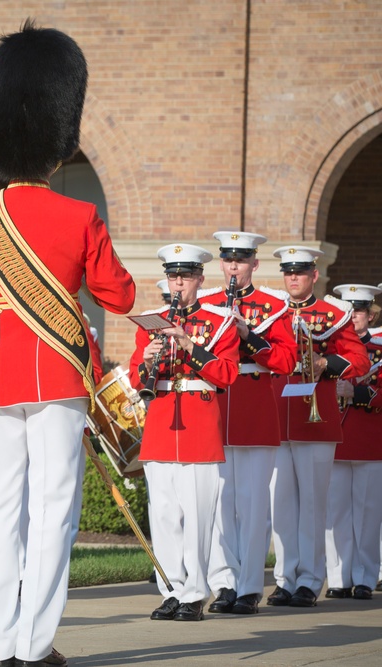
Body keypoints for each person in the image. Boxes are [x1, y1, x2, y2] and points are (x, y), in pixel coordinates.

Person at [0, 22, 135, 667]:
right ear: (57, 144)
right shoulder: (79, 216)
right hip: (61, 377)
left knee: (0, 513)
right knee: (52, 515)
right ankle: (35, 643)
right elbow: (118, 296)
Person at [131, 244, 240, 623]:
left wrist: (190, 345)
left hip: (197, 424)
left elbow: (226, 374)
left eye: (186, 276)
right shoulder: (152, 322)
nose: (179, 283)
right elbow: (135, 377)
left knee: (196, 514)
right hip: (161, 422)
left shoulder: (220, 321)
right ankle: (172, 589)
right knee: (162, 514)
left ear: (199, 279)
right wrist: (147, 360)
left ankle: (195, 592)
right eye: (173, 276)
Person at [197, 232, 297, 615]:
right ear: (221, 264)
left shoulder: (273, 305)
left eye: (242, 260)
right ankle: (223, 582)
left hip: (255, 407)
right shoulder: (205, 304)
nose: (234, 266)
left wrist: (249, 337)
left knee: (254, 504)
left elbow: (287, 361)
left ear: (255, 264)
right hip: (216, 409)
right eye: (228, 260)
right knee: (219, 503)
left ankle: (250, 586)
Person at [267, 245, 370, 608]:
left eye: (299, 271)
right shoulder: (273, 310)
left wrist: (325, 360)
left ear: (313, 275)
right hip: (280, 415)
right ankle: (284, 578)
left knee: (312, 503)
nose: (292, 277)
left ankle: (309, 580)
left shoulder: (332, 314)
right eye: (287, 272)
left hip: (317, 417)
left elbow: (359, 359)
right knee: (280, 505)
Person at [326, 284, 382, 601]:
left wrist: (357, 393)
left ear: (370, 315)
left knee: (367, 514)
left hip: (368, 440)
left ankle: (364, 576)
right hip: (333, 438)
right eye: (346, 311)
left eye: (357, 311)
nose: (351, 316)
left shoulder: (379, 350)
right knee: (335, 513)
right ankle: (338, 576)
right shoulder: (327, 351)